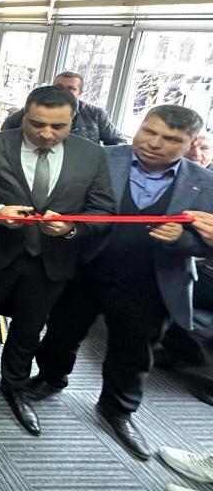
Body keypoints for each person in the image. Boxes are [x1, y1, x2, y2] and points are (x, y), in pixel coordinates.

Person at [27, 105, 213, 458]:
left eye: (170, 139)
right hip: (86, 269)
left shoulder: (205, 184)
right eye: (149, 131)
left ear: (190, 144)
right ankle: (50, 377)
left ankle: (118, 409)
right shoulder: (100, 159)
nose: (154, 143)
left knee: (133, 351)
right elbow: (67, 204)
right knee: (62, 332)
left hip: (151, 283)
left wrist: (183, 240)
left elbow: (208, 242)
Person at [0, 85, 117, 435]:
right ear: (24, 115)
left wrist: (71, 226)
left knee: (28, 328)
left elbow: (103, 210)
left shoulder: (92, 155)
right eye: (37, 123)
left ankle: (14, 385)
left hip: (51, 260)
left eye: (58, 126)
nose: (46, 133)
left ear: (73, 120)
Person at [1, 71, 124, 145]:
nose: (63, 91)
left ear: (80, 92)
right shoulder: (37, 108)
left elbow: (118, 142)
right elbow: (6, 130)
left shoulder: (96, 114)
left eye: (70, 88)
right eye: (59, 86)